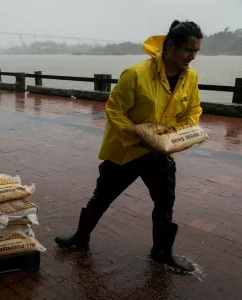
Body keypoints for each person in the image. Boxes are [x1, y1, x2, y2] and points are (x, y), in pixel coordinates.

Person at [55, 20, 204, 272]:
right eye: (188, 50)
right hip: (128, 150)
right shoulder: (136, 74)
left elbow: (193, 111)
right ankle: (80, 238)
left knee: (165, 203)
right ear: (169, 47)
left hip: (160, 153)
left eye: (196, 51)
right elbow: (114, 109)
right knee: (102, 197)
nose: (192, 57)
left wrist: (176, 137)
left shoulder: (190, 77)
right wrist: (140, 136)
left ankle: (162, 252)